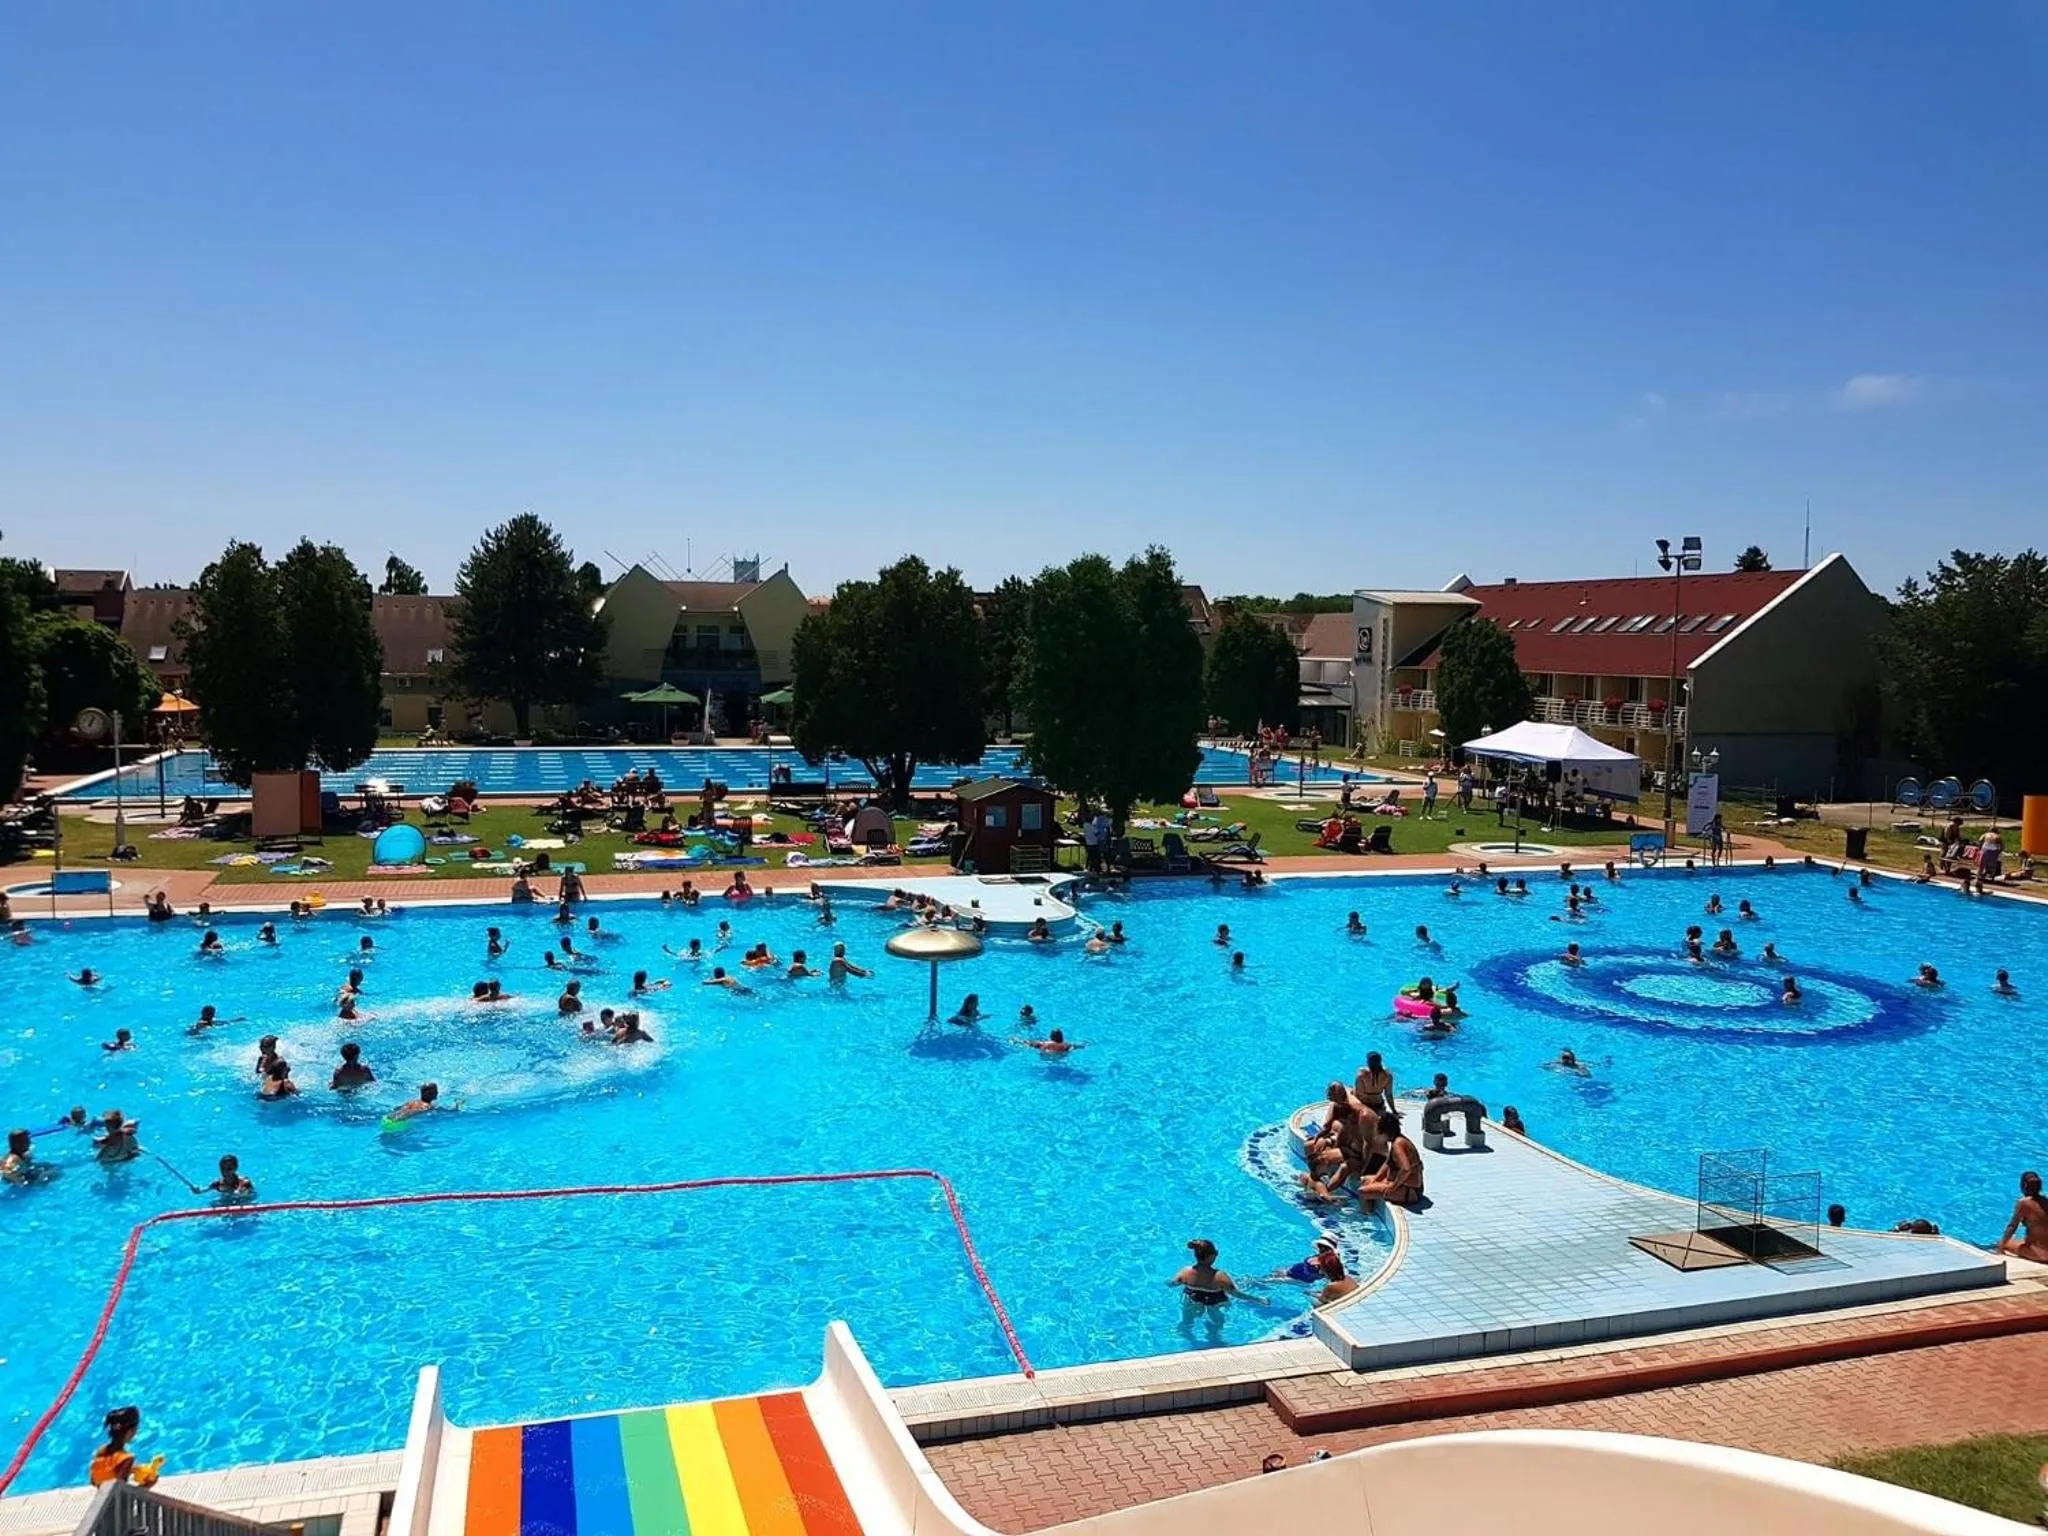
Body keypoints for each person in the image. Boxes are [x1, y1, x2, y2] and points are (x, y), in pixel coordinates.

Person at [1357, 1113, 1423, 1212]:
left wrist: (1393, 1186)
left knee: (1362, 1192)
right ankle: (1369, 1211)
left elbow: (1406, 1169)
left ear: (1384, 1131)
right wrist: (1376, 1179)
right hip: (1404, 1187)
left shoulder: (1398, 1144)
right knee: (1365, 1180)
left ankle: (1366, 1218)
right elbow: (1387, 1163)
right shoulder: (1398, 1140)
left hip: (1409, 1191)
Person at [1169, 1238, 1255, 1312]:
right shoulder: (1220, 1276)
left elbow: (1172, 1284)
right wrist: (1258, 1299)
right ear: (1211, 1256)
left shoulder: (1185, 1272)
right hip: (1215, 1303)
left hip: (1192, 1300)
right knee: (1216, 1326)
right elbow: (1237, 1294)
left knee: (1186, 1323)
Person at [90, 1406, 162, 1488]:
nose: (136, 1433)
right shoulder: (127, 1459)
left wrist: (132, 1469)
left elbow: (94, 1480)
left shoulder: (101, 1452)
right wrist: (148, 1484)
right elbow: (120, 1491)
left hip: (101, 1497)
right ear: (129, 1432)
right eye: (135, 1430)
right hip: (116, 1499)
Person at [1997, 1171, 2048, 1263]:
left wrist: (2000, 1248)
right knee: (2020, 1241)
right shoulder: (2045, 1201)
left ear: (2023, 1186)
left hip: (2042, 1254)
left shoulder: (2023, 1203)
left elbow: (2012, 1227)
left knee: (2003, 1243)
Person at [1014, 1027, 1079, 1056]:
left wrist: (1016, 1040)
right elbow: (1077, 1046)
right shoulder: (1067, 1045)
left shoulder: (1042, 1044)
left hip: (1046, 1058)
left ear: (1051, 1036)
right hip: (1059, 1058)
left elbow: (1027, 1043)